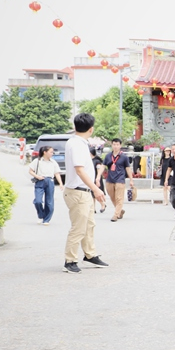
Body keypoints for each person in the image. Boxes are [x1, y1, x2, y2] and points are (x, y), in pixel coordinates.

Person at [63, 113, 108, 273]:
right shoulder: (76, 144)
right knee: (79, 228)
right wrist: (96, 189)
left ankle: (90, 254)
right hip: (78, 191)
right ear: (91, 129)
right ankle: (70, 260)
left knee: (89, 225)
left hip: (84, 191)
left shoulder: (78, 143)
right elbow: (80, 170)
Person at [28, 145, 63, 225]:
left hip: (50, 181)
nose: (52, 153)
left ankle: (46, 219)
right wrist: (37, 176)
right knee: (38, 201)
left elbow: (57, 173)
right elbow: (30, 171)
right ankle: (41, 215)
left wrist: (61, 183)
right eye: (51, 152)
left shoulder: (53, 162)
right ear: (45, 152)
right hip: (40, 181)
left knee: (49, 202)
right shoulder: (37, 161)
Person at [103, 137, 134, 222]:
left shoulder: (124, 157)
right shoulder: (108, 156)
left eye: (117, 144)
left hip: (120, 179)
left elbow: (128, 168)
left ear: (120, 146)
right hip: (109, 179)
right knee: (112, 197)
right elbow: (103, 166)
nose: (116, 146)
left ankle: (116, 215)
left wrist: (131, 180)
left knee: (119, 198)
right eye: (114, 144)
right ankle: (120, 211)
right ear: (112, 145)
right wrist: (98, 177)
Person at [91, 147, 107, 214]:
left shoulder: (97, 161)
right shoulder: (89, 160)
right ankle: (93, 208)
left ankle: (103, 204)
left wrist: (98, 178)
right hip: (91, 179)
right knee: (92, 194)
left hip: (96, 179)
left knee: (97, 194)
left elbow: (99, 170)